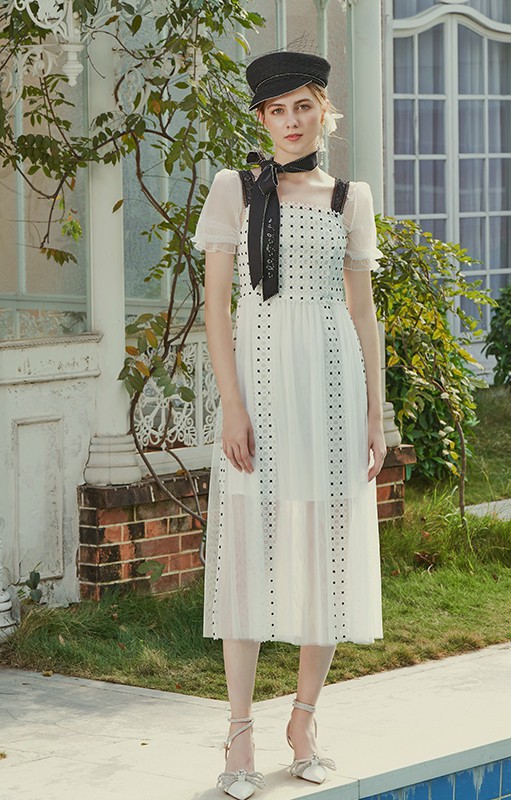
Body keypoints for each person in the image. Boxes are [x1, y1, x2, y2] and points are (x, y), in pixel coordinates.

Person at [192, 50, 386, 799]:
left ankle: (303, 722)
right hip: (261, 388)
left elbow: (362, 314)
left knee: (327, 554)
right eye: (278, 110)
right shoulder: (234, 191)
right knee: (247, 552)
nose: (292, 120)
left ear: (323, 111)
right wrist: (231, 403)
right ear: (262, 119)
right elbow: (217, 307)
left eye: (304, 105)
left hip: (332, 388)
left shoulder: (349, 198)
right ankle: (239, 729)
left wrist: (375, 412)